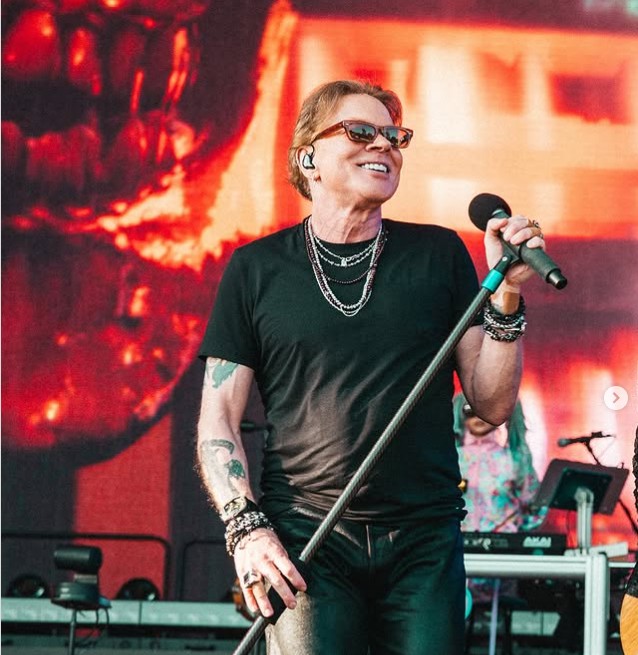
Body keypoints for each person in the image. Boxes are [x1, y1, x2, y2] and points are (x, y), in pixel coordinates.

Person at [196, 79, 546, 655]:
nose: (383, 145)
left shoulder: (437, 255)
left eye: (394, 136)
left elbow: (491, 404)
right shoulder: (256, 270)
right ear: (308, 157)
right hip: (308, 535)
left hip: (423, 540)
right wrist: (244, 526)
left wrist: (506, 296)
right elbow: (218, 418)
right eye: (360, 132)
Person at [453, 393, 546, 607]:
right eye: (470, 410)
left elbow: (536, 507)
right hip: (454, 556)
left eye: (486, 410)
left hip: (502, 562)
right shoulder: (450, 458)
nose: (477, 417)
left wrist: (512, 529)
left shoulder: (514, 459)